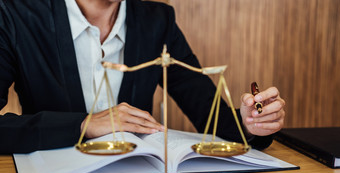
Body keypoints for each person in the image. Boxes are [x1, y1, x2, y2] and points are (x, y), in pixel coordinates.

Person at [0, 0, 285, 154]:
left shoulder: (157, 20)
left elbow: (210, 114)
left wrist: (250, 124)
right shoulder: (14, 15)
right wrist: (83, 124)